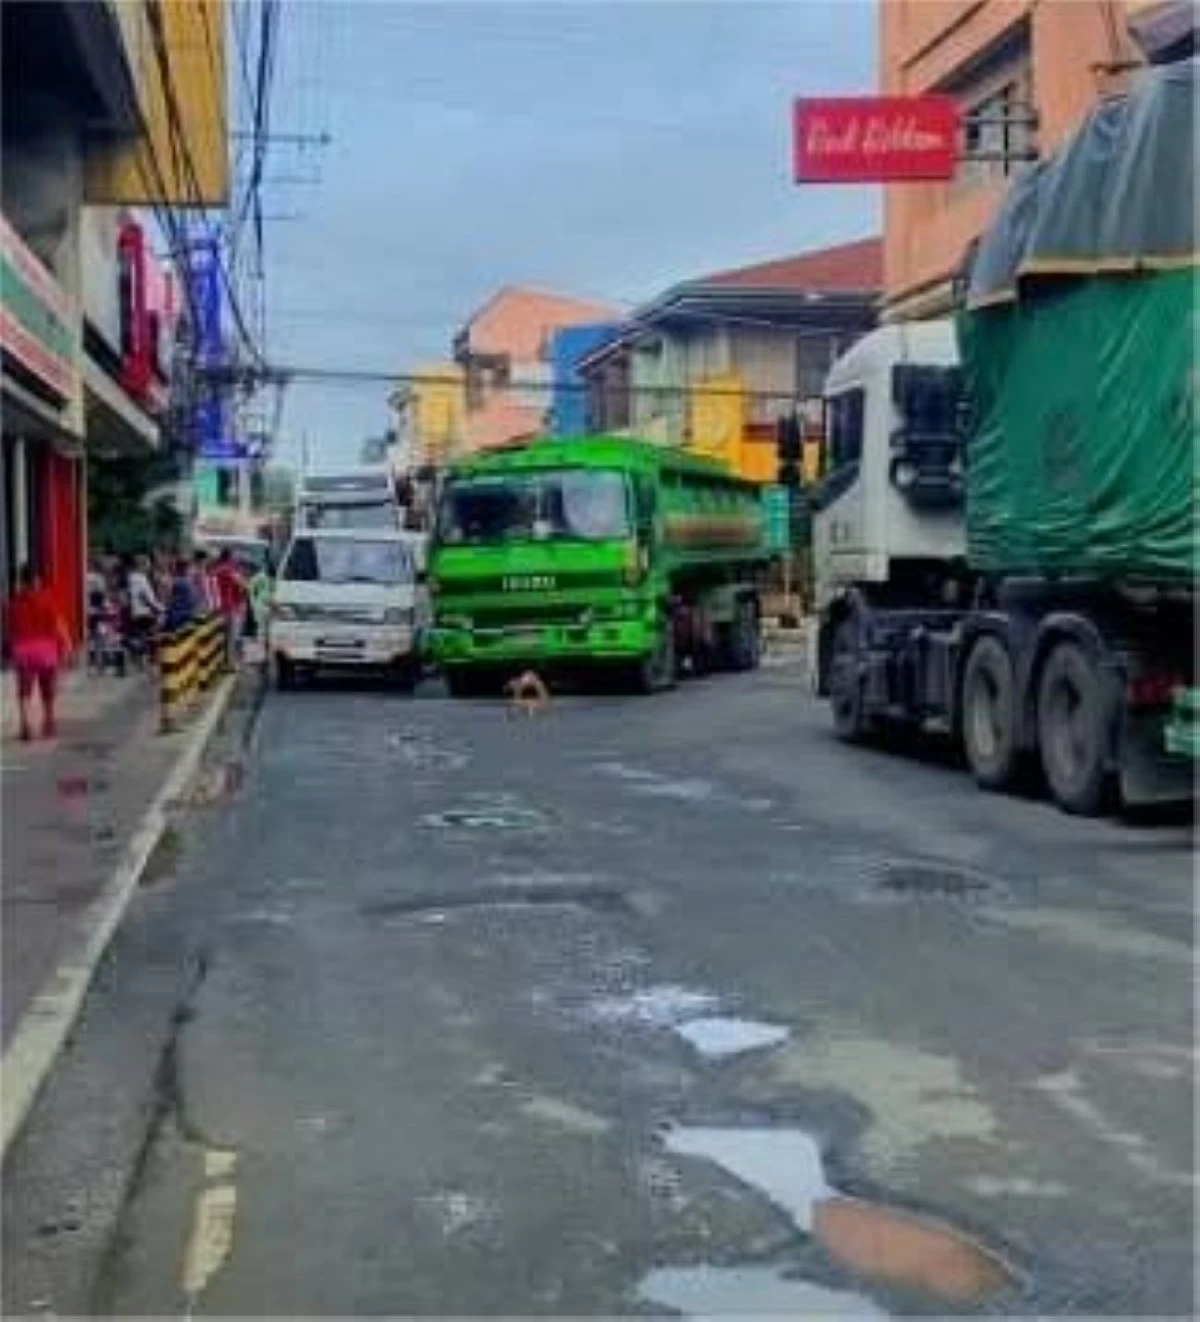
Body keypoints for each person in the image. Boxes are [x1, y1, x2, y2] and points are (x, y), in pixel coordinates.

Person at [5, 564, 72, 741]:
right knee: (47, 689)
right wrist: (67, 645)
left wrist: (11, 649)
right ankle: (49, 721)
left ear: (21, 581)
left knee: (24, 690)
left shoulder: (14, 603)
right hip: (46, 649)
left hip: (23, 649)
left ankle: (25, 723)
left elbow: (9, 630)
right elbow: (59, 625)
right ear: (37, 581)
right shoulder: (48, 600)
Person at [212, 548, 248, 670]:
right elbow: (242, 585)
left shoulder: (216, 570)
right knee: (230, 638)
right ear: (229, 557)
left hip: (217, 606)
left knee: (220, 637)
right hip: (229, 607)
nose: (235, 558)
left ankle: (220, 663)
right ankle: (230, 664)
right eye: (234, 556)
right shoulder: (229, 570)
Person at [126, 553, 163, 663]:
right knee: (153, 637)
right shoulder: (141, 579)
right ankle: (150, 660)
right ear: (141, 565)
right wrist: (158, 608)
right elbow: (145, 597)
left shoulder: (132, 578)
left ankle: (139, 659)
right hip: (145, 612)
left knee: (142, 636)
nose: (149, 566)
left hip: (137, 612)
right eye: (148, 564)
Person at [163, 556, 197, 635]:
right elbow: (169, 598)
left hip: (184, 614)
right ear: (183, 568)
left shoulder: (181, 580)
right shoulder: (177, 581)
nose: (190, 570)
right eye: (188, 568)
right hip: (180, 615)